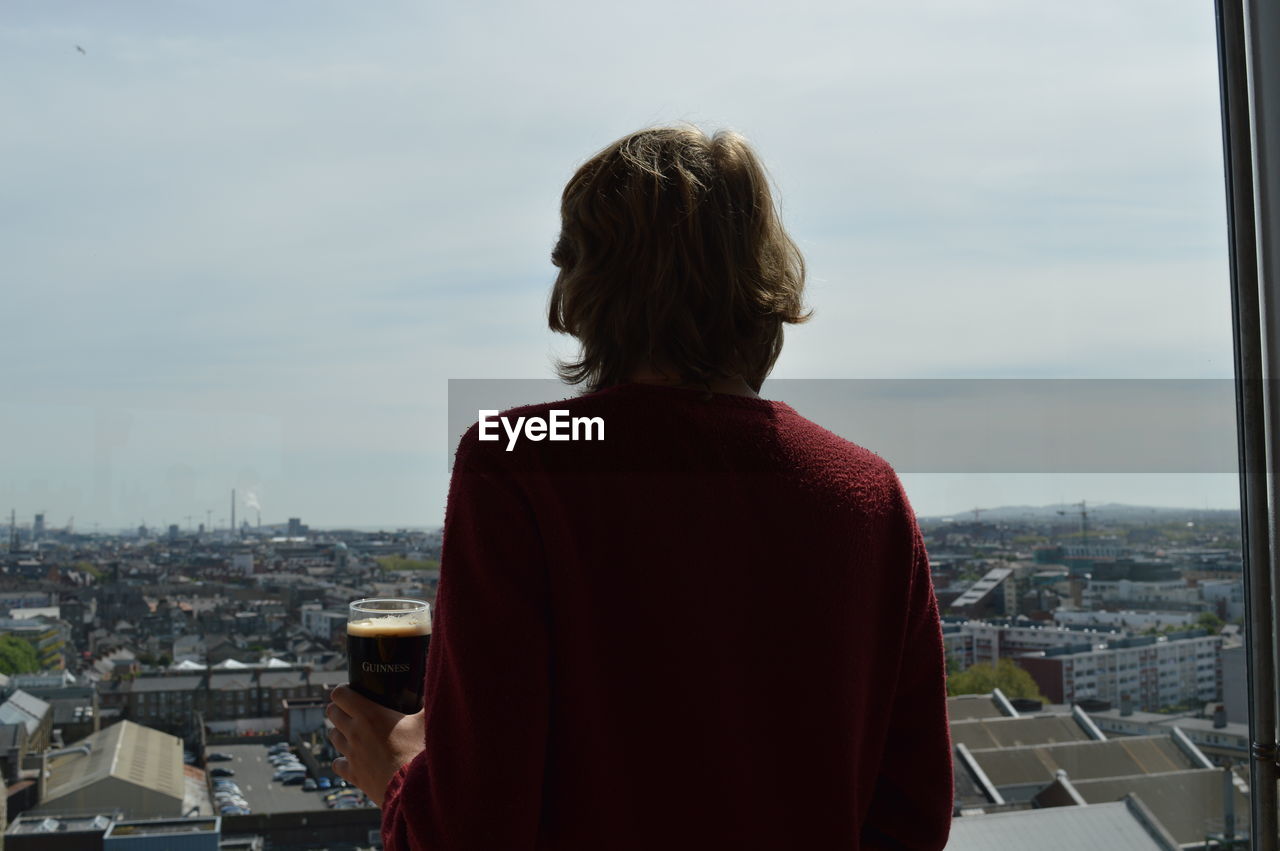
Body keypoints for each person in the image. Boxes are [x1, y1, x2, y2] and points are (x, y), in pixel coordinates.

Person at [326, 125, 954, 849]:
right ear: (762, 281)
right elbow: (911, 819)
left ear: (585, 286)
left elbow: (471, 829)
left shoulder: (521, 459)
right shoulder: (869, 493)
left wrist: (397, 776)